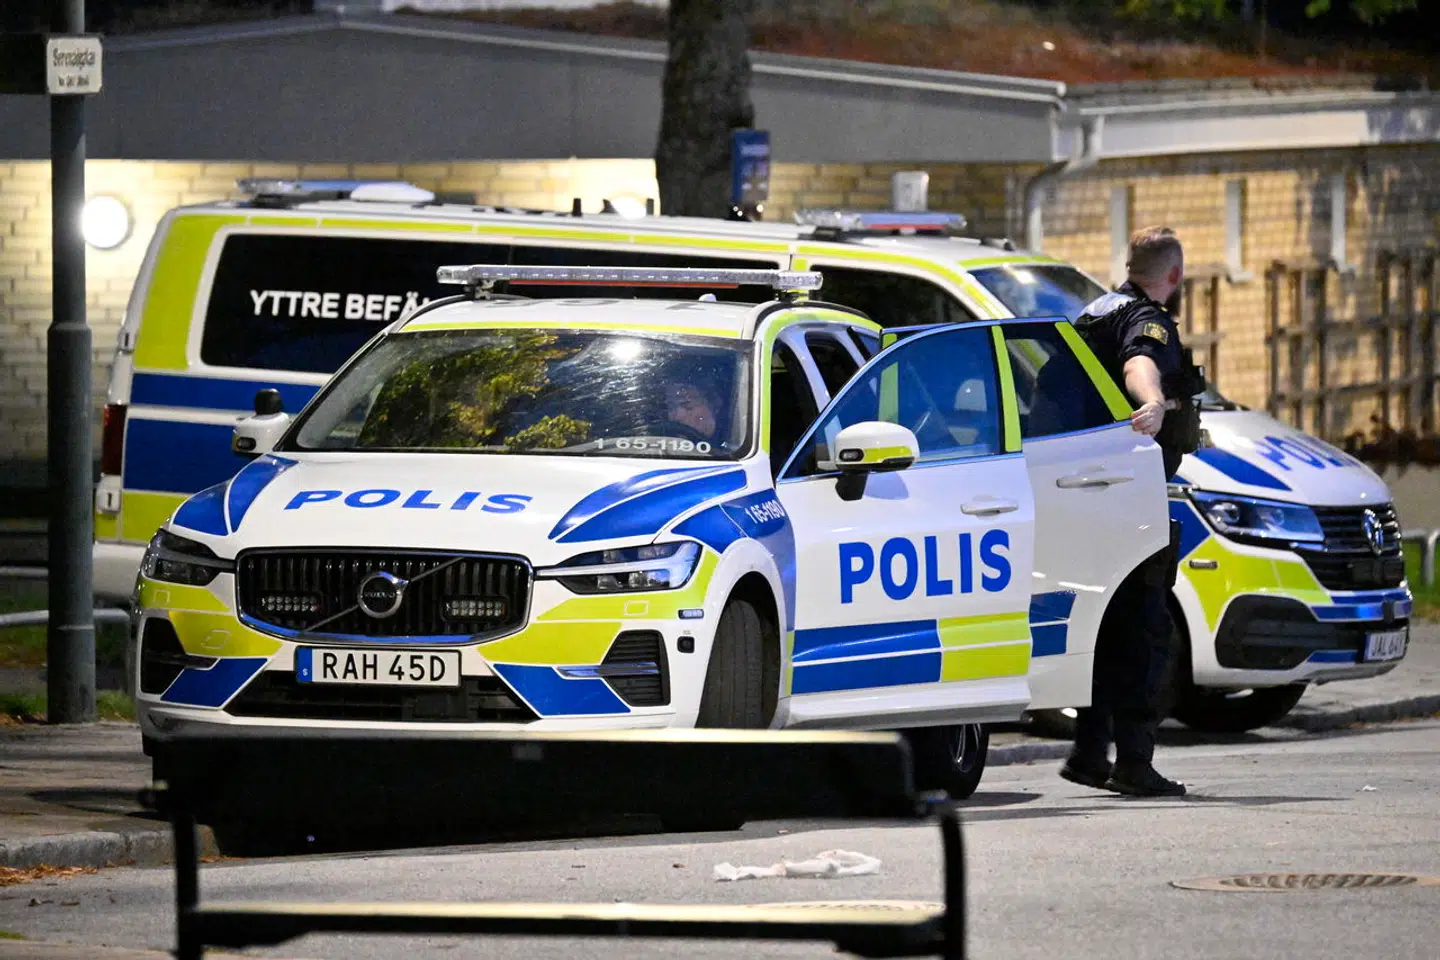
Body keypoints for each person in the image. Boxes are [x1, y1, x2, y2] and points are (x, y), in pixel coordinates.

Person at [1060, 226, 1204, 798]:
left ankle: (1091, 752)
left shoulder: (1092, 311)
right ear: (1173, 275)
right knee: (1146, 631)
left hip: (1080, 492)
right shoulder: (1147, 320)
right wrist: (1151, 402)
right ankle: (1135, 763)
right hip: (1125, 497)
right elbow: (1139, 362)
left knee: (1104, 626)